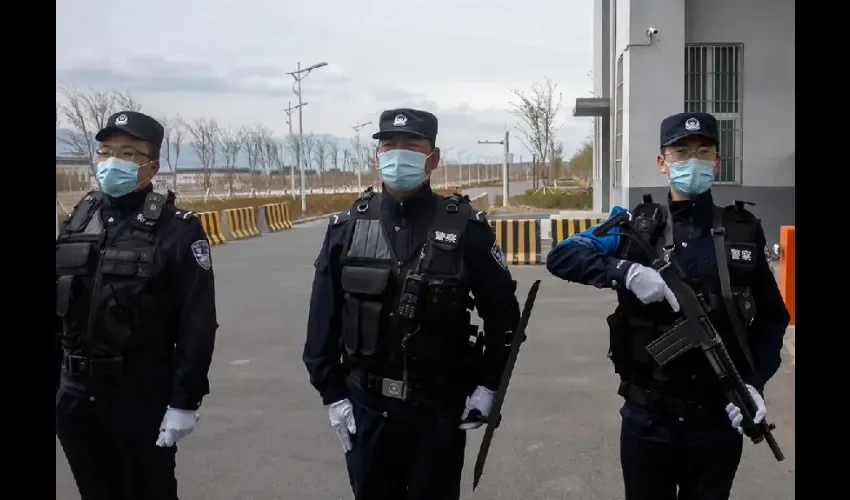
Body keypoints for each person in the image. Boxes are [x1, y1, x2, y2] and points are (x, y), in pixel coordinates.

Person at [546, 112, 790, 500]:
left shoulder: (743, 230)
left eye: (703, 151)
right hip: (648, 418)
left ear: (717, 161)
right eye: (681, 152)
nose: (692, 161)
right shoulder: (634, 226)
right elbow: (563, 256)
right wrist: (623, 271)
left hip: (717, 418)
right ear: (662, 163)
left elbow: (774, 318)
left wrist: (754, 383)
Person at [302, 108, 521, 500]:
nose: (397, 154)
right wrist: (332, 395)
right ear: (377, 155)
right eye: (389, 145)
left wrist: (489, 386)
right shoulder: (347, 227)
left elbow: (504, 316)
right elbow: (322, 321)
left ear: (433, 158)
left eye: (412, 145)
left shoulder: (467, 229)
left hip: (438, 412)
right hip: (367, 407)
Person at [55, 111, 219, 500]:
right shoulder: (78, 220)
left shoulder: (177, 227)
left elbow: (197, 323)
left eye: (128, 153)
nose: (113, 162)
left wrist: (184, 400)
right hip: (75, 394)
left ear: (152, 166)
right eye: (106, 152)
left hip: (138, 397)